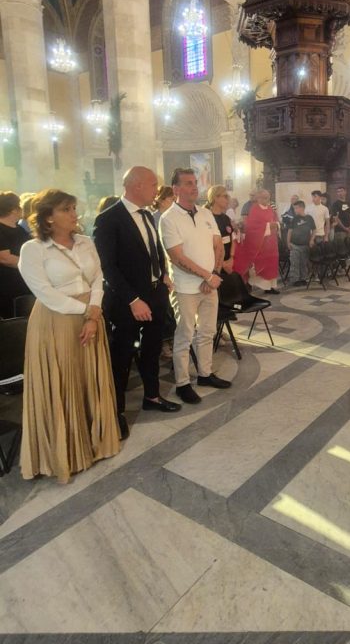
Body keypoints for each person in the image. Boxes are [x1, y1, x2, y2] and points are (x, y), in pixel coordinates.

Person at [17, 189, 120, 482]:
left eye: (74, 208)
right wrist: (87, 311)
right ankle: (66, 452)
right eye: (66, 209)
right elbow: (45, 293)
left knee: (89, 377)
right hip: (57, 320)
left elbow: (98, 277)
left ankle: (95, 443)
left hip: (91, 315)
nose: (75, 214)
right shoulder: (33, 249)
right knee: (65, 381)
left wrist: (94, 311)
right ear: (48, 217)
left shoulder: (86, 242)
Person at [94, 166, 181, 438]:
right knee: (121, 356)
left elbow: (153, 251)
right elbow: (107, 267)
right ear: (137, 185)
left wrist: (162, 274)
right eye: (153, 184)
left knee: (152, 349)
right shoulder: (109, 219)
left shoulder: (147, 215)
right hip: (126, 301)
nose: (157, 190)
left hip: (155, 294)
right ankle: (116, 411)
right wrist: (133, 299)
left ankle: (152, 396)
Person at [159, 169, 231, 404]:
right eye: (188, 183)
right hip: (185, 287)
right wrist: (206, 276)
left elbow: (218, 245)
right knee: (184, 335)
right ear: (176, 189)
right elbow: (177, 257)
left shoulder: (205, 213)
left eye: (195, 183)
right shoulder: (168, 218)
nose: (194, 187)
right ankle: (182, 383)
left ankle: (205, 374)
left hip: (210, 283)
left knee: (207, 331)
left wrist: (215, 274)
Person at [233, 188, 280, 293]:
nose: (266, 200)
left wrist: (276, 224)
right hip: (260, 244)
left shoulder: (270, 209)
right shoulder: (254, 209)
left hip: (271, 244)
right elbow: (252, 226)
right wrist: (268, 226)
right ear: (258, 198)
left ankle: (271, 287)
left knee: (271, 265)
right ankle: (252, 284)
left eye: (268, 198)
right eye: (264, 198)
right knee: (260, 266)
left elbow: (276, 220)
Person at [0, 191, 32, 318]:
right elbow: (5, 258)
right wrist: (32, 264)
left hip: (24, 285)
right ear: (13, 209)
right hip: (7, 288)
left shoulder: (19, 229)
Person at [206, 184, 236, 274]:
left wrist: (231, 258)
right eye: (225, 196)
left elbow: (232, 239)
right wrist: (221, 263)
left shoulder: (226, 218)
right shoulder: (207, 218)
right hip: (214, 265)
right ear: (215, 198)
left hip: (228, 263)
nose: (228, 199)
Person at [287, 200, 315, 286]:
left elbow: (314, 230)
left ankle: (303, 278)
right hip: (295, 245)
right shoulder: (294, 219)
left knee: (304, 263)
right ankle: (295, 280)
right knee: (295, 263)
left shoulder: (309, 218)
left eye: (296, 208)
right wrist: (288, 242)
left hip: (305, 245)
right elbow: (290, 231)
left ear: (302, 208)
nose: (295, 210)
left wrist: (312, 239)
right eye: (294, 208)